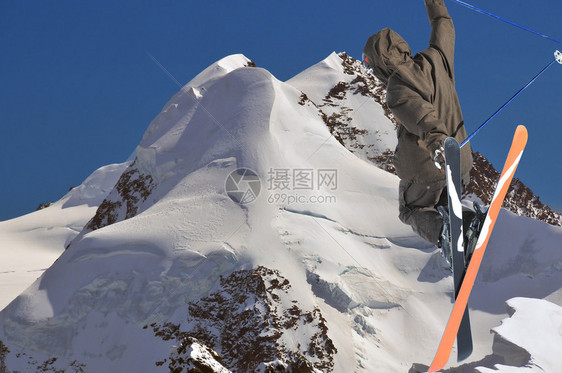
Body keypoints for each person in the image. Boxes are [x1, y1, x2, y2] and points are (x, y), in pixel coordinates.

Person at [361, 0, 476, 265]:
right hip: (461, 164)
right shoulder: (437, 58)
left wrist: (438, 146)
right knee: (446, 206)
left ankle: (448, 236)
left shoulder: (397, 86)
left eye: (370, 66)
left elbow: (422, 116)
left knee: (411, 209)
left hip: (431, 166)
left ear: (379, 64)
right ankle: (467, 225)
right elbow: (443, 25)